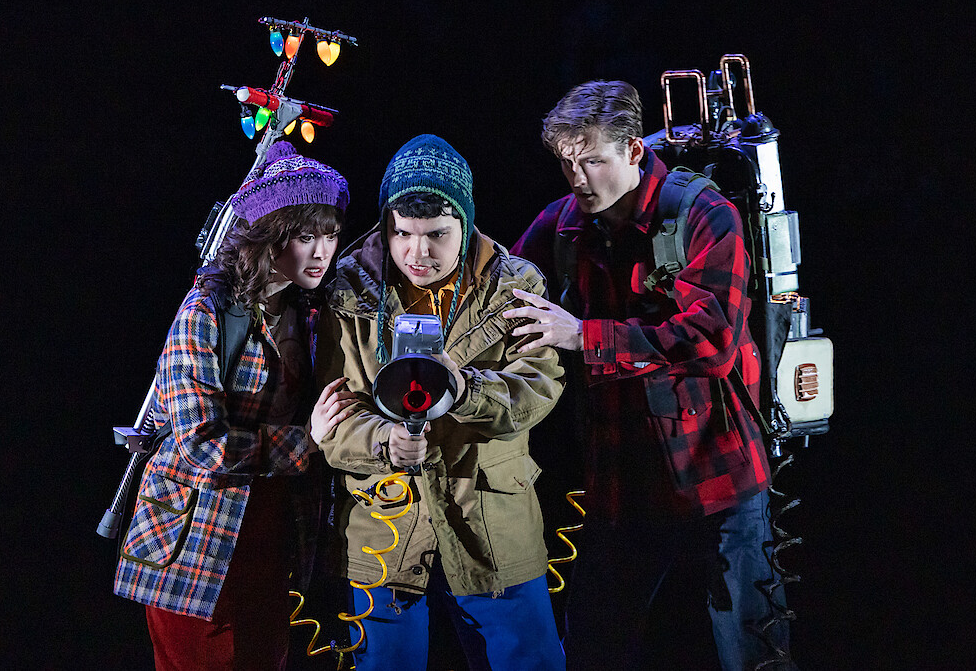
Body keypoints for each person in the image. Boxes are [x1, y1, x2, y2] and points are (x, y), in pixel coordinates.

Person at [506, 80, 795, 670]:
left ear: (634, 150)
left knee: (752, 653)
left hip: (718, 478)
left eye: (593, 160)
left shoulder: (703, 214)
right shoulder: (562, 226)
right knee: (593, 648)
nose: (578, 178)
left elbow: (710, 339)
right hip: (623, 483)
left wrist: (583, 336)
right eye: (567, 163)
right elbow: (497, 286)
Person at [315, 134, 565, 670]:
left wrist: (465, 388)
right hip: (383, 530)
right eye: (402, 233)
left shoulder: (514, 287)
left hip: (491, 524)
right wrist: (384, 440)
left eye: (436, 235)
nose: (417, 252)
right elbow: (332, 418)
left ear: (467, 223)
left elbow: (537, 389)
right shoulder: (349, 290)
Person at [112, 141, 358, 671]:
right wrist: (306, 440)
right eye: (304, 235)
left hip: (268, 539)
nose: (322, 251)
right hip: (195, 539)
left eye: (331, 234)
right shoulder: (207, 309)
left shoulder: (303, 311)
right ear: (269, 235)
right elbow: (201, 444)